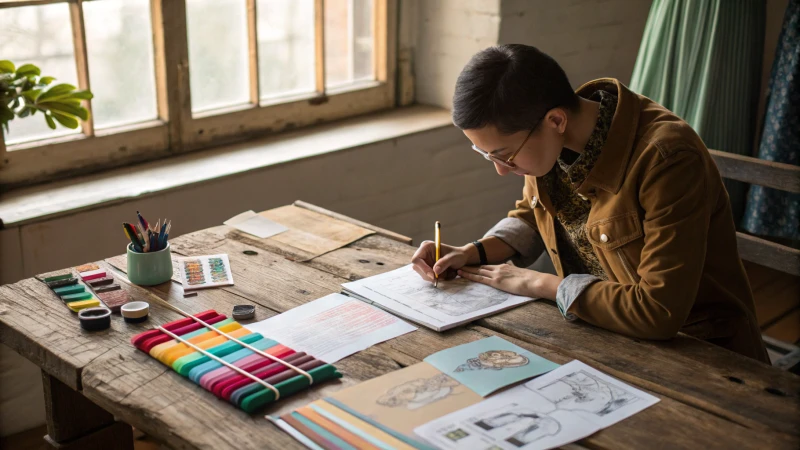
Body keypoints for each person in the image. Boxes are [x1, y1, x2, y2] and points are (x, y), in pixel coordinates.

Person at [411, 44, 768, 362]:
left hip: (700, 351)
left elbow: (658, 312)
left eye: (505, 155)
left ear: (555, 120)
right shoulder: (552, 137)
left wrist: (538, 284)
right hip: (603, 334)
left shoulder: (667, 158)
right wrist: (472, 251)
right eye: (486, 155)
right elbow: (534, 214)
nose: (502, 171)